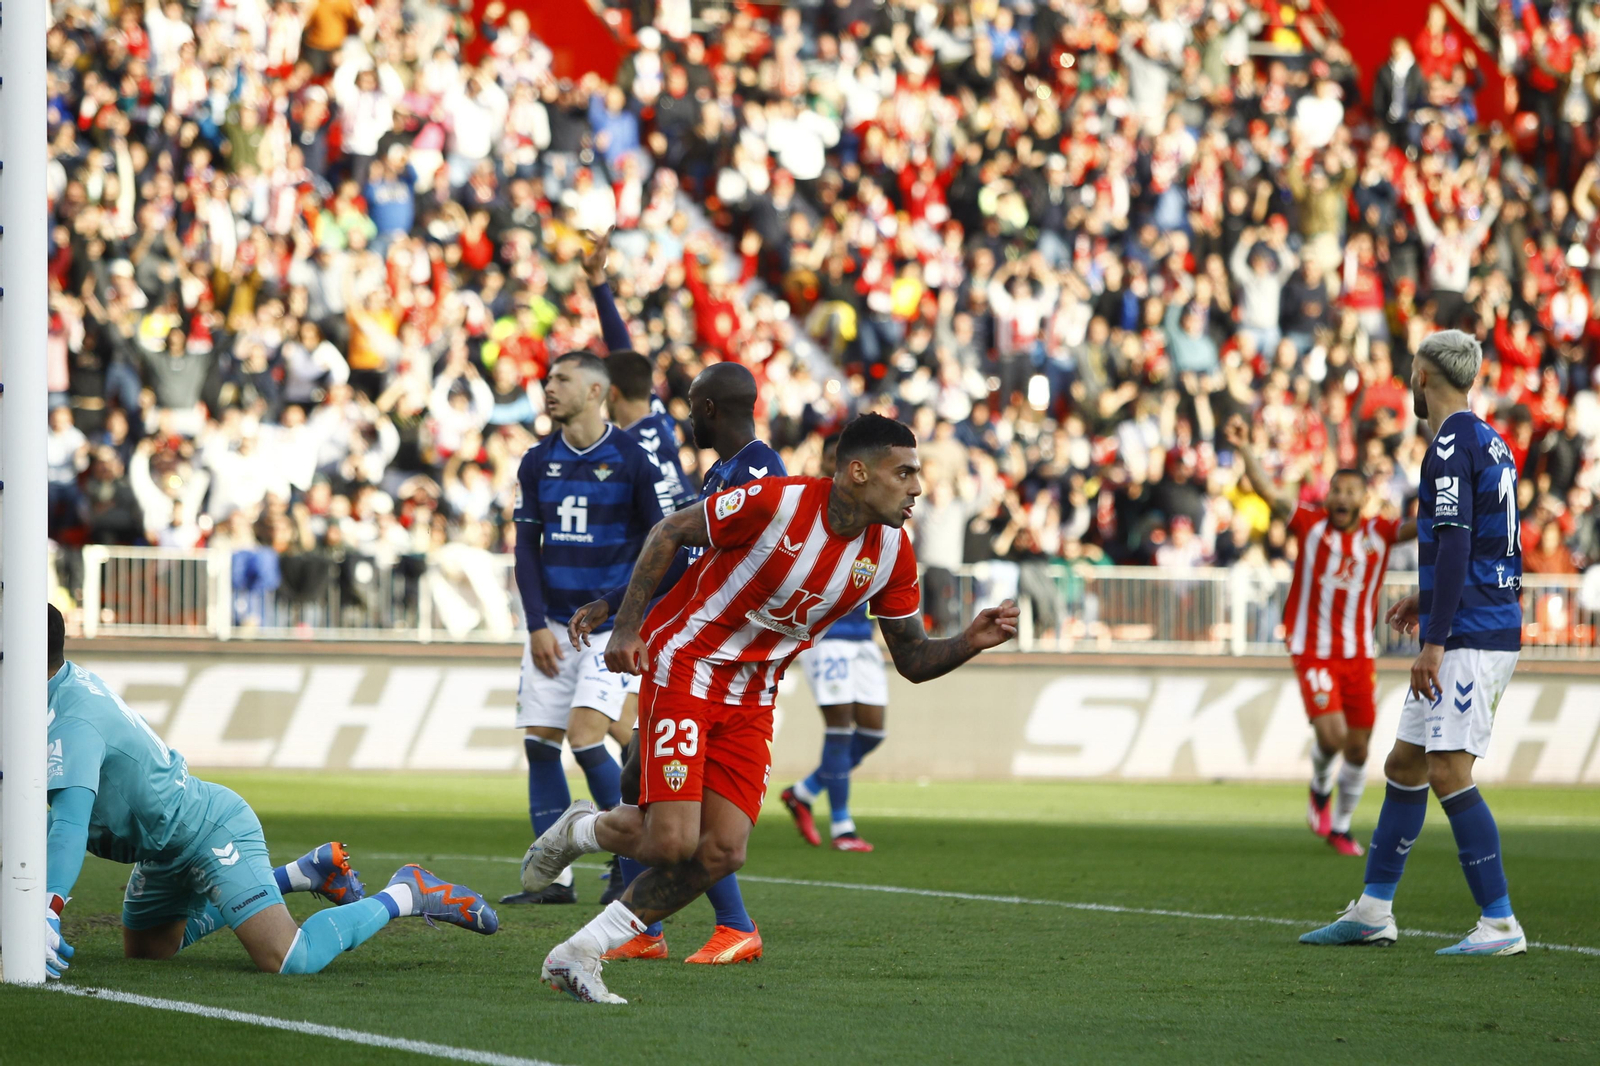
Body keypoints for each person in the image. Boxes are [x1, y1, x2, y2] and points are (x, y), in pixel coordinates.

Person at [531, 413, 1019, 1004]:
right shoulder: (776, 503)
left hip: (754, 696)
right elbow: (668, 533)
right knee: (669, 844)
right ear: (858, 472)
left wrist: (970, 640)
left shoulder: (892, 552)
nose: (917, 487)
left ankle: (575, 949)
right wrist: (626, 628)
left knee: (721, 851)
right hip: (688, 664)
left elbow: (912, 659)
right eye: (905, 472)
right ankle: (581, 833)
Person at [40, 604, 495, 981]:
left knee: (288, 958)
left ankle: (407, 893)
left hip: (207, 831)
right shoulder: (54, 686)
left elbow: (68, 824)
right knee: (147, 953)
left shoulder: (72, 722)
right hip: (161, 846)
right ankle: (303, 874)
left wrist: (48, 906)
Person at [1302, 329, 1528, 955]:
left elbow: (1456, 543)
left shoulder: (1450, 441)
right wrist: (1430, 600)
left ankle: (1501, 922)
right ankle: (1374, 909)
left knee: (1449, 771)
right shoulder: (1493, 441)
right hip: (1477, 616)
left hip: (1470, 634)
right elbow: (1495, 543)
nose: (1409, 378)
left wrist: (1436, 637)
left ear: (1425, 375)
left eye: (1411, 369)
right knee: (1404, 764)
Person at [569, 360, 788, 965]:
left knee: (671, 805)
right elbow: (692, 568)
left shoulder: (761, 472)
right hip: (685, 655)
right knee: (638, 780)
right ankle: (652, 929)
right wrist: (617, 607)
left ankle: (732, 923)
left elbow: (737, 576)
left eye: (694, 406)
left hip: (720, 669)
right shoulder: (723, 473)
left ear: (713, 409)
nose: (689, 417)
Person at [501, 351, 667, 906]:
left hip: (610, 631)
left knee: (582, 735)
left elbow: (662, 550)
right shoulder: (535, 460)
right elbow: (525, 547)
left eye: (562, 379)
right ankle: (554, 881)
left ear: (597, 392)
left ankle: (630, 861)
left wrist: (620, 610)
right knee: (540, 744)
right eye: (547, 378)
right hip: (552, 628)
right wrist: (534, 626)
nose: (548, 387)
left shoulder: (634, 460)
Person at [1225, 415, 1416, 856]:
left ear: (1364, 500)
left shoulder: (1379, 533)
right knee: (1331, 738)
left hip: (1358, 655)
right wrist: (1244, 448)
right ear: (1327, 497)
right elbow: (1268, 491)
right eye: (1336, 491)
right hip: (1312, 649)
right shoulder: (1309, 525)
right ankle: (1318, 790)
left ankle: (1341, 827)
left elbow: (1426, 527)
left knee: (1359, 748)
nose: (1342, 498)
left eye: (1351, 492)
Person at [781, 432, 889, 853]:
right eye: (830, 459)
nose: (835, 466)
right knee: (840, 728)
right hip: (825, 638)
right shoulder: (809, 506)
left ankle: (804, 792)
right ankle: (842, 826)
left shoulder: (873, 514)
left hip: (861, 636)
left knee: (874, 733)